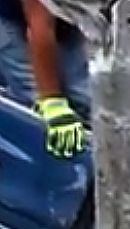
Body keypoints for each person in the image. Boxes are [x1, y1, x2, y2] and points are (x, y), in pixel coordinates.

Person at [0, 0, 90, 158]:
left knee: (85, 99)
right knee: (39, 110)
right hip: (14, 20)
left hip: (69, 16)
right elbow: (40, 28)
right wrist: (52, 101)